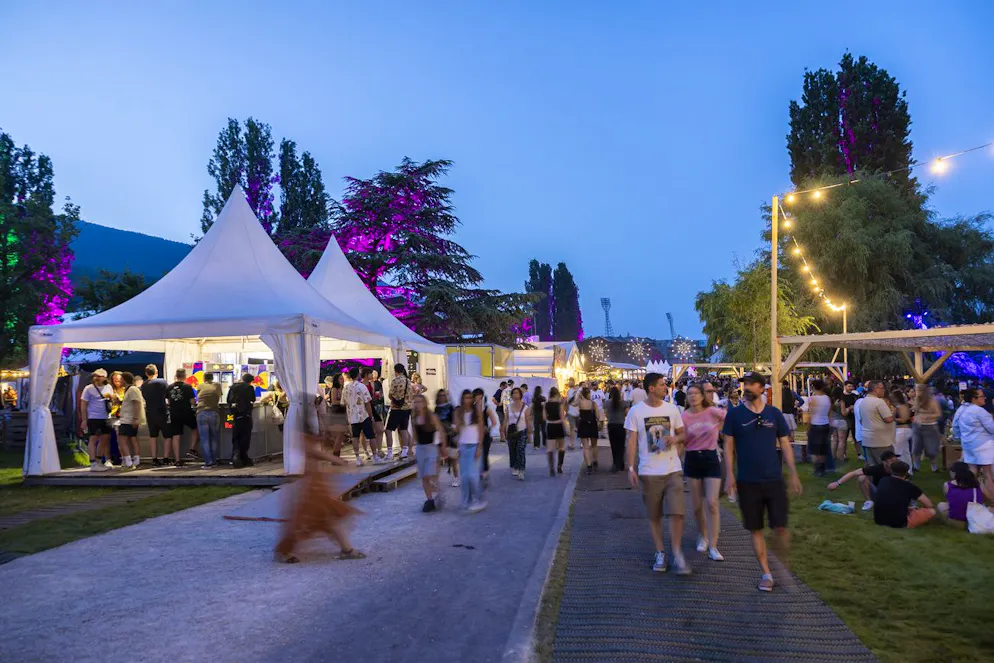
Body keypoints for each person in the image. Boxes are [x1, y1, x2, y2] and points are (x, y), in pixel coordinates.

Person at [723, 372, 802, 592]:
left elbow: (785, 445)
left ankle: (782, 564)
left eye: (751, 384)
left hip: (774, 479)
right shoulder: (734, 415)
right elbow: (728, 447)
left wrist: (793, 473)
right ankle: (767, 573)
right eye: (744, 384)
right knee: (755, 529)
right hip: (748, 481)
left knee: (780, 528)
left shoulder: (774, 414)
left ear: (761, 387)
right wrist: (729, 474)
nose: (746, 387)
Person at [626, 373, 689, 574]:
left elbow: (683, 434)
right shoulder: (636, 412)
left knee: (677, 511)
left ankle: (677, 552)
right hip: (649, 471)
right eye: (662, 385)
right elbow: (632, 441)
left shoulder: (672, 409)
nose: (666, 387)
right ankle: (660, 551)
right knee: (655, 514)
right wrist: (630, 468)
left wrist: (676, 441)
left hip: (672, 469)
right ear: (651, 388)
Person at [274, 433, 365, 563]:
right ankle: (285, 549)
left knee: (323, 515)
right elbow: (310, 450)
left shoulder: (312, 420)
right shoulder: (304, 424)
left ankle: (347, 549)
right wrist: (337, 460)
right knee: (310, 516)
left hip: (316, 477)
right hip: (311, 480)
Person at [681, 383, 727, 562]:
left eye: (696, 393)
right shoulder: (684, 416)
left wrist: (720, 431)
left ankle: (714, 546)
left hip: (710, 458)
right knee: (697, 506)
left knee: (712, 503)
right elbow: (681, 437)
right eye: (689, 394)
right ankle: (703, 535)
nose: (692, 396)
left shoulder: (712, 412)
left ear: (702, 396)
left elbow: (728, 419)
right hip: (692, 459)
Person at [952, 388, 994, 496]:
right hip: (983, 445)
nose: (985, 398)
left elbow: (955, 426)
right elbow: (992, 428)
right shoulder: (980, 411)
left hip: (968, 445)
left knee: (972, 473)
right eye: (982, 396)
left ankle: (971, 497)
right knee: (988, 474)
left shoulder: (961, 409)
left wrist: (959, 437)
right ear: (974, 399)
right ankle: (992, 500)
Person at [827, 450, 901, 511]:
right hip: (879, 492)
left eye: (895, 459)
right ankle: (869, 501)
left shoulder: (900, 468)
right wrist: (837, 483)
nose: (895, 462)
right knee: (862, 477)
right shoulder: (877, 468)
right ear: (884, 462)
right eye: (891, 460)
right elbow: (854, 473)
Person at [872, 461, 936, 529]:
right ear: (906, 474)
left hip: (879, 520)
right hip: (900, 523)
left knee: (910, 509)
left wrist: (908, 509)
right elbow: (929, 504)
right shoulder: (909, 486)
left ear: (891, 471)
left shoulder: (883, 480)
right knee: (932, 511)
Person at [454, 390, 486, 512]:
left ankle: (477, 499)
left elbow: (481, 430)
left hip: (474, 446)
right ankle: (466, 500)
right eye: (465, 397)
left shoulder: (476, 412)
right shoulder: (459, 412)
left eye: (469, 397)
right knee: (464, 476)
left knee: (473, 475)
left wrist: (479, 447)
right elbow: (457, 430)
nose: (467, 400)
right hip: (463, 446)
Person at [412, 394, 444, 511]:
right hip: (421, 448)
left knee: (432, 474)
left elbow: (440, 431)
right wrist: (412, 446)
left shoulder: (431, 417)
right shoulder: (414, 417)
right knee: (424, 476)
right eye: (416, 402)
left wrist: (442, 447)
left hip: (431, 447)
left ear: (425, 403)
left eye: (420, 402)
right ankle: (429, 499)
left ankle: (438, 493)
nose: (418, 404)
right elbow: (415, 433)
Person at [937, 461, 990, 526]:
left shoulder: (948, 485)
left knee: (941, 505)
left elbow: (949, 502)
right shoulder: (977, 484)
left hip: (957, 522)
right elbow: (987, 499)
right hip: (975, 520)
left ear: (954, 472)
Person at [81, 369, 114, 471]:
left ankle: (99, 460)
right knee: (93, 438)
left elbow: (112, 400)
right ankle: (93, 462)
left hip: (106, 416)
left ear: (104, 377)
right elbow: (83, 404)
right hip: (93, 417)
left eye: (99, 376)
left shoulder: (108, 387)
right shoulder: (88, 388)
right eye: (95, 376)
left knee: (105, 438)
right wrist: (84, 419)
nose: (96, 378)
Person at [857, 381, 896, 465]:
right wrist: (894, 413)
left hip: (867, 438)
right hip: (881, 440)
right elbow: (888, 419)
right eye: (882, 388)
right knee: (887, 465)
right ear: (875, 389)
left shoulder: (863, 402)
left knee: (872, 466)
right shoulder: (879, 402)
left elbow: (861, 420)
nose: (884, 390)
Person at [343, 367, 374, 467]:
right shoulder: (361, 386)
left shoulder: (346, 387)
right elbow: (367, 402)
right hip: (363, 415)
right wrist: (371, 415)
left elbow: (343, 403)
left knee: (355, 437)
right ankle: (376, 456)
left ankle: (358, 458)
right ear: (358, 375)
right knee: (371, 436)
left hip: (352, 416)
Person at [165, 369, 197, 467]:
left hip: (174, 413)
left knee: (176, 436)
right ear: (184, 376)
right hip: (186, 413)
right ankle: (192, 449)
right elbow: (192, 401)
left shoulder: (169, 387)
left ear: (176, 375)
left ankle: (177, 460)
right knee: (195, 429)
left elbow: (168, 402)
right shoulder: (187, 387)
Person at [141, 364, 169, 467]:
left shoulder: (144, 385)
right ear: (156, 372)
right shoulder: (163, 382)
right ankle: (166, 458)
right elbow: (168, 395)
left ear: (146, 373)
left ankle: (154, 458)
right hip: (162, 411)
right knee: (167, 436)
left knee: (153, 436)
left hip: (150, 412)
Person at [385, 364, 415, 460]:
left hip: (396, 409)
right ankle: (405, 451)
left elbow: (390, 395)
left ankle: (389, 452)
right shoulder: (408, 381)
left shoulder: (395, 380)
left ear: (395, 371)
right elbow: (411, 395)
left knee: (388, 430)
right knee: (404, 429)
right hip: (407, 409)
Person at [227, 373, 257, 467]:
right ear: (250, 381)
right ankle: (243, 458)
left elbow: (228, 400)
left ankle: (235, 457)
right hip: (246, 415)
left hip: (235, 416)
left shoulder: (233, 387)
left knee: (236, 437)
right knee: (245, 437)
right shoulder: (249, 388)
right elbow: (253, 399)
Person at [911, 384, 943, 473]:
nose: (917, 392)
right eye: (916, 390)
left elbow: (938, 414)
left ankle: (934, 468)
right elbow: (915, 411)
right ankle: (916, 467)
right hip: (917, 426)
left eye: (919, 390)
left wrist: (927, 416)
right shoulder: (916, 400)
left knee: (932, 449)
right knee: (916, 448)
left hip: (930, 427)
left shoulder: (932, 401)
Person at [473, 387, 500, 485]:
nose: (477, 398)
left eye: (479, 397)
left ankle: (484, 473)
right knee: (476, 454)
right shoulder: (471, 409)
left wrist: (487, 429)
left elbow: (494, 422)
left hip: (485, 435)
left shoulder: (486, 409)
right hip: (474, 435)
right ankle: (479, 472)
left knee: (484, 454)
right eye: (476, 396)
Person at [117, 372, 144, 470]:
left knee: (122, 441)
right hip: (129, 419)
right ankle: (136, 460)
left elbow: (136, 403)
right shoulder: (130, 390)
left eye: (121, 379)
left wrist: (136, 418)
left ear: (124, 379)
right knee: (133, 439)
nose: (120, 381)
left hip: (128, 419)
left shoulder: (132, 389)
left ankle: (128, 463)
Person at [196, 372, 222, 468]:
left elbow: (198, 397)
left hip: (201, 412)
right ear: (213, 378)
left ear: (204, 379)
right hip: (214, 412)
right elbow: (219, 396)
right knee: (214, 438)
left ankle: (208, 462)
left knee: (205, 439)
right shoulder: (217, 385)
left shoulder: (200, 386)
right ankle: (215, 461)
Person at [505, 387, 532, 480]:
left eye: (517, 393)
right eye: (514, 393)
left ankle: (521, 469)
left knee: (520, 450)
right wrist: (503, 431)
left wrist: (529, 434)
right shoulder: (508, 407)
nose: (515, 395)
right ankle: (515, 466)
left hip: (522, 431)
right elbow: (506, 420)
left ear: (521, 395)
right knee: (513, 450)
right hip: (511, 432)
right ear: (511, 395)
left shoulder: (526, 408)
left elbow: (528, 421)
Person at [807, 380, 831, 476]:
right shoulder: (827, 398)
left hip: (815, 424)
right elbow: (829, 412)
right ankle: (822, 468)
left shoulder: (812, 399)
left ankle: (817, 468)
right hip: (825, 424)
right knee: (823, 447)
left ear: (813, 387)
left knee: (815, 448)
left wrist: (808, 427)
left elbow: (810, 413)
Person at [434, 389, 459, 487]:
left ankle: (456, 478)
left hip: (450, 435)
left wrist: (452, 428)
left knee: (453, 459)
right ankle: (435, 480)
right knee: (437, 459)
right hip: (440, 436)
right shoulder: (437, 408)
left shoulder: (451, 407)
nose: (442, 397)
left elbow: (454, 421)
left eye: (444, 395)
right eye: (440, 395)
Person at [576, 387, 600, 474]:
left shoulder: (580, 402)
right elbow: (597, 416)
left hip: (583, 424)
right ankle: (595, 461)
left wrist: (578, 396)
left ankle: (589, 466)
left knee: (585, 447)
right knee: (594, 445)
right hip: (592, 424)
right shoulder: (594, 404)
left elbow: (572, 406)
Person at [606, 386, 629, 472]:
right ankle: (621, 463)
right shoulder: (623, 403)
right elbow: (627, 413)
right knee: (621, 445)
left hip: (611, 425)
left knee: (614, 445)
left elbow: (606, 414)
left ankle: (615, 463)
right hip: (621, 425)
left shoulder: (607, 403)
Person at [545, 387, 567, 476]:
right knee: (561, 447)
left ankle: (551, 467)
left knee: (550, 449)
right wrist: (565, 428)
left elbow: (544, 417)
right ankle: (559, 466)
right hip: (559, 426)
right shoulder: (560, 405)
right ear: (557, 394)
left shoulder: (546, 404)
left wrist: (550, 419)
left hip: (550, 425)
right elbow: (562, 417)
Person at [891, 390, 913, 469]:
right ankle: (908, 469)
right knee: (905, 451)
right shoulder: (897, 406)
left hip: (903, 430)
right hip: (900, 430)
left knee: (897, 451)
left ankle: (899, 469)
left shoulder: (902, 406)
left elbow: (904, 419)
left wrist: (893, 419)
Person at [829, 387, 850, 464]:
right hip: (841, 421)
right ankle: (841, 457)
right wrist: (849, 409)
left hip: (833, 421)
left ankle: (833, 456)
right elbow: (844, 413)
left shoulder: (831, 401)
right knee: (842, 441)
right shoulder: (841, 401)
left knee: (834, 440)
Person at [842, 381, 859, 455]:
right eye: (849, 386)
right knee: (844, 438)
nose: (851, 388)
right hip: (845, 419)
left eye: (852, 386)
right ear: (845, 386)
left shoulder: (854, 396)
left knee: (856, 437)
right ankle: (844, 453)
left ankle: (858, 453)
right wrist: (849, 408)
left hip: (854, 419)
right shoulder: (841, 396)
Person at [531, 385, 546, 450]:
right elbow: (545, 407)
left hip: (536, 415)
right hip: (542, 415)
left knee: (536, 430)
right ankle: (545, 443)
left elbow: (532, 407)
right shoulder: (543, 398)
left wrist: (530, 414)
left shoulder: (534, 398)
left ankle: (536, 445)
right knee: (544, 430)